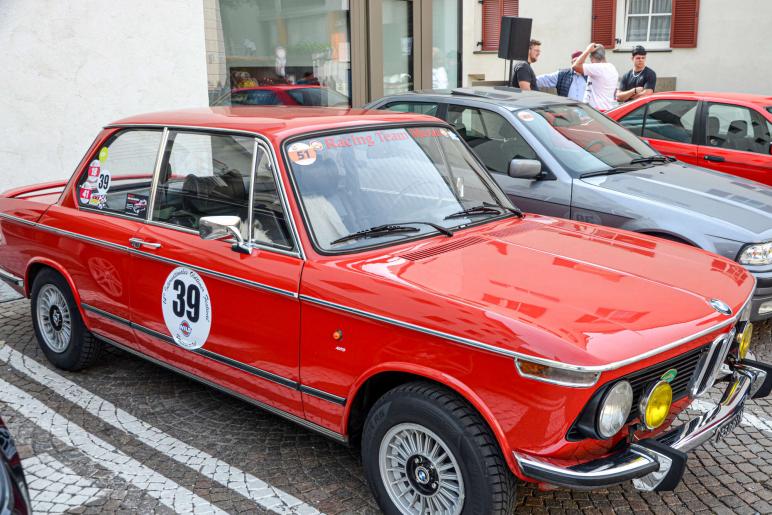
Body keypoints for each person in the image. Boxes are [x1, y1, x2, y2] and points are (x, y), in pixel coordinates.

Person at [572, 43, 619, 111]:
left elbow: (575, 66)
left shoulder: (598, 68)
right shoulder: (611, 67)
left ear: (592, 57)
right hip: (607, 109)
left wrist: (587, 51)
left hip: (597, 111)